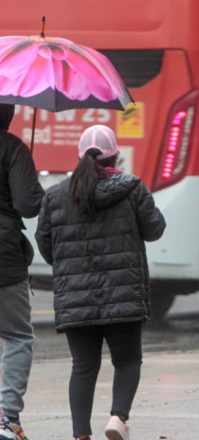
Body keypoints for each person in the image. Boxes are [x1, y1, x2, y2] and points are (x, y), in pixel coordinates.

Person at [35, 125, 166, 440]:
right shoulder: (132, 188)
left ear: (79, 156)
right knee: (127, 360)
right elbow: (155, 229)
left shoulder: (54, 196)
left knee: (83, 366)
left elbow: (46, 246)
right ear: (115, 157)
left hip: (76, 299)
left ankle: (80, 434)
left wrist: (72, 266)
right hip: (125, 293)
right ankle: (117, 419)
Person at [0, 103, 44, 440]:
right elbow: (28, 205)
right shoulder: (13, 148)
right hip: (4, 258)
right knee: (17, 337)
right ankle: (6, 418)